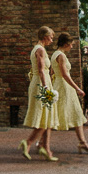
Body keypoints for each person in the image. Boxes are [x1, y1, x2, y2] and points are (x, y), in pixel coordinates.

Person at [50, 32, 88, 153]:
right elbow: (65, 75)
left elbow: (52, 72)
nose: (72, 47)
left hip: (59, 86)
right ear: (66, 44)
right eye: (71, 44)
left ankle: (82, 142)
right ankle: (40, 142)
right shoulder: (61, 56)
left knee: (62, 114)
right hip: (64, 88)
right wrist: (77, 88)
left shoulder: (55, 54)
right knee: (66, 114)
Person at [19, 26, 59, 161]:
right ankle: (29, 142)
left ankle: (46, 149)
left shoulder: (37, 49)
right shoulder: (40, 50)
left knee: (47, 116)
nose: (52, 40)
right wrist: (46, 87)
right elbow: (41, 70)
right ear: (44, 36)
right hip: (42, 84)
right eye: (51, 37)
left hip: (41, 82)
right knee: (44, 116)